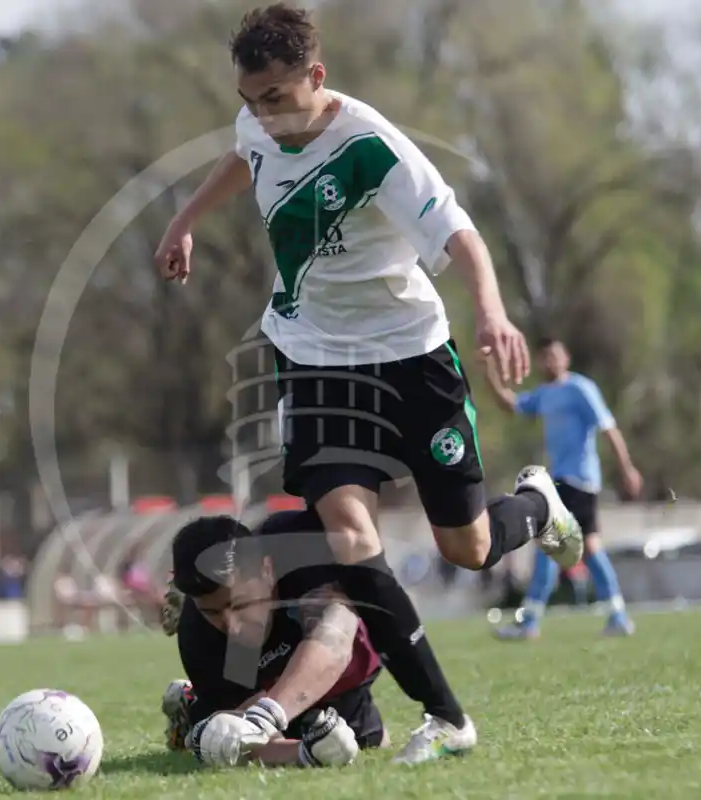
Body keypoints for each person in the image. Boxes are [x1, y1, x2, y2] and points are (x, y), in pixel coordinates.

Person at [153, 3, 582, 761]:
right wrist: (183, 219)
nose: (262, 115)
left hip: (411, 356)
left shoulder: (374, 149)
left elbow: (459, 233)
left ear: (316, 78)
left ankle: (535, 505)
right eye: (249, 100)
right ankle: (447, 717)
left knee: (469, 546)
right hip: (314, 358)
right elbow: (242, 153)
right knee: (354, 541)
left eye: (277, 99)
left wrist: (489, 311)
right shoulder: (260, 120)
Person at [161, 511, 396, 768]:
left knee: (373, 742)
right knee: (222, 738)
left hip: (335, 677)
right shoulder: (198, 635)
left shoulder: (304, 569)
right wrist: (307, 754)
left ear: (267, 571)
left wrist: (266, 716)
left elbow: (334, 644)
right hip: (260, 686)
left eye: (238, 604)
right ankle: (193, 705)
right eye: (212, 612)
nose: (231, 625)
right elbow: (256, 739)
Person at [482, 338, 642, 638]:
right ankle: (618, 616)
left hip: (577, 480)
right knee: (590, 548)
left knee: (548, 542)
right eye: (545, 358)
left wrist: (627, 468)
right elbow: (509, 403)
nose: (550, 362)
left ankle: (529, 622)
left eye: (554, 355)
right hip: (568, 481)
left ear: (566, 358)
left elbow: (608, 428)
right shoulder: (545, 394)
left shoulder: (580, 389)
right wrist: (489, 370)